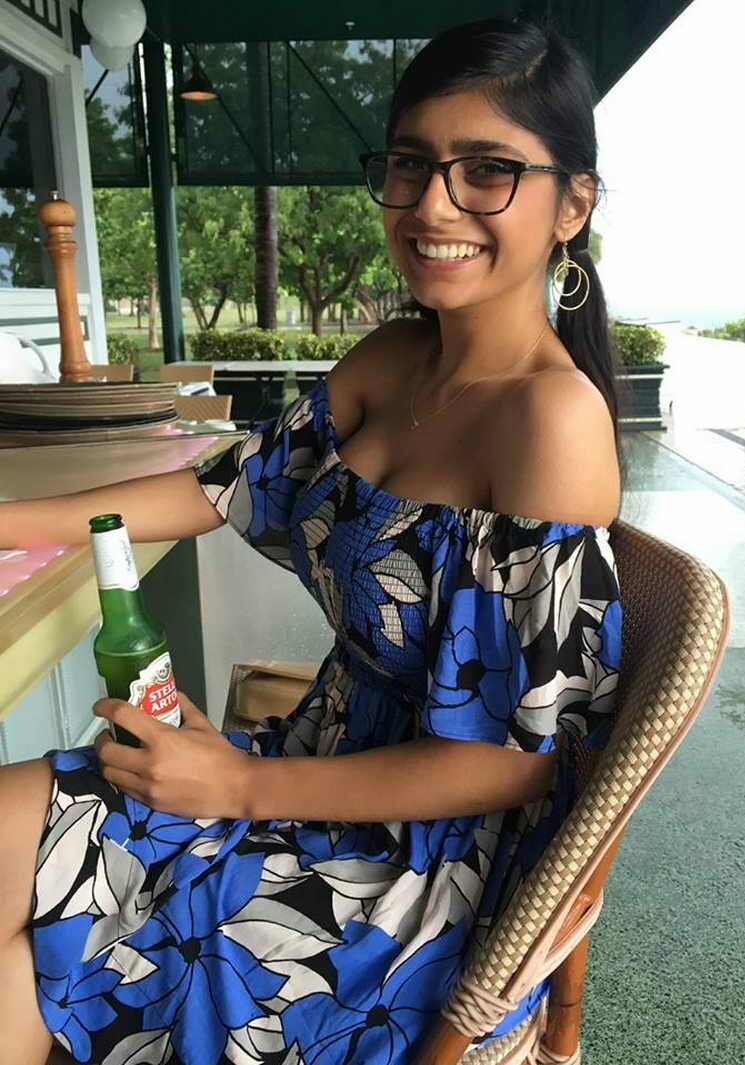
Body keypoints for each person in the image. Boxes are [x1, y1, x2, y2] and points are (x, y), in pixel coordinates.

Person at [0, 16, 625, 1065]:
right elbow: (219, 487)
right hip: (302, 764)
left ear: (572, 203)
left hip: (403, 875)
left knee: (16, 981)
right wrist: (8, 519)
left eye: (487, 171)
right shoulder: (395, 355)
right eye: (412, 164)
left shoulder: (550, 422)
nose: (433, 205)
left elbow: (511, 764)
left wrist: (238, 789)